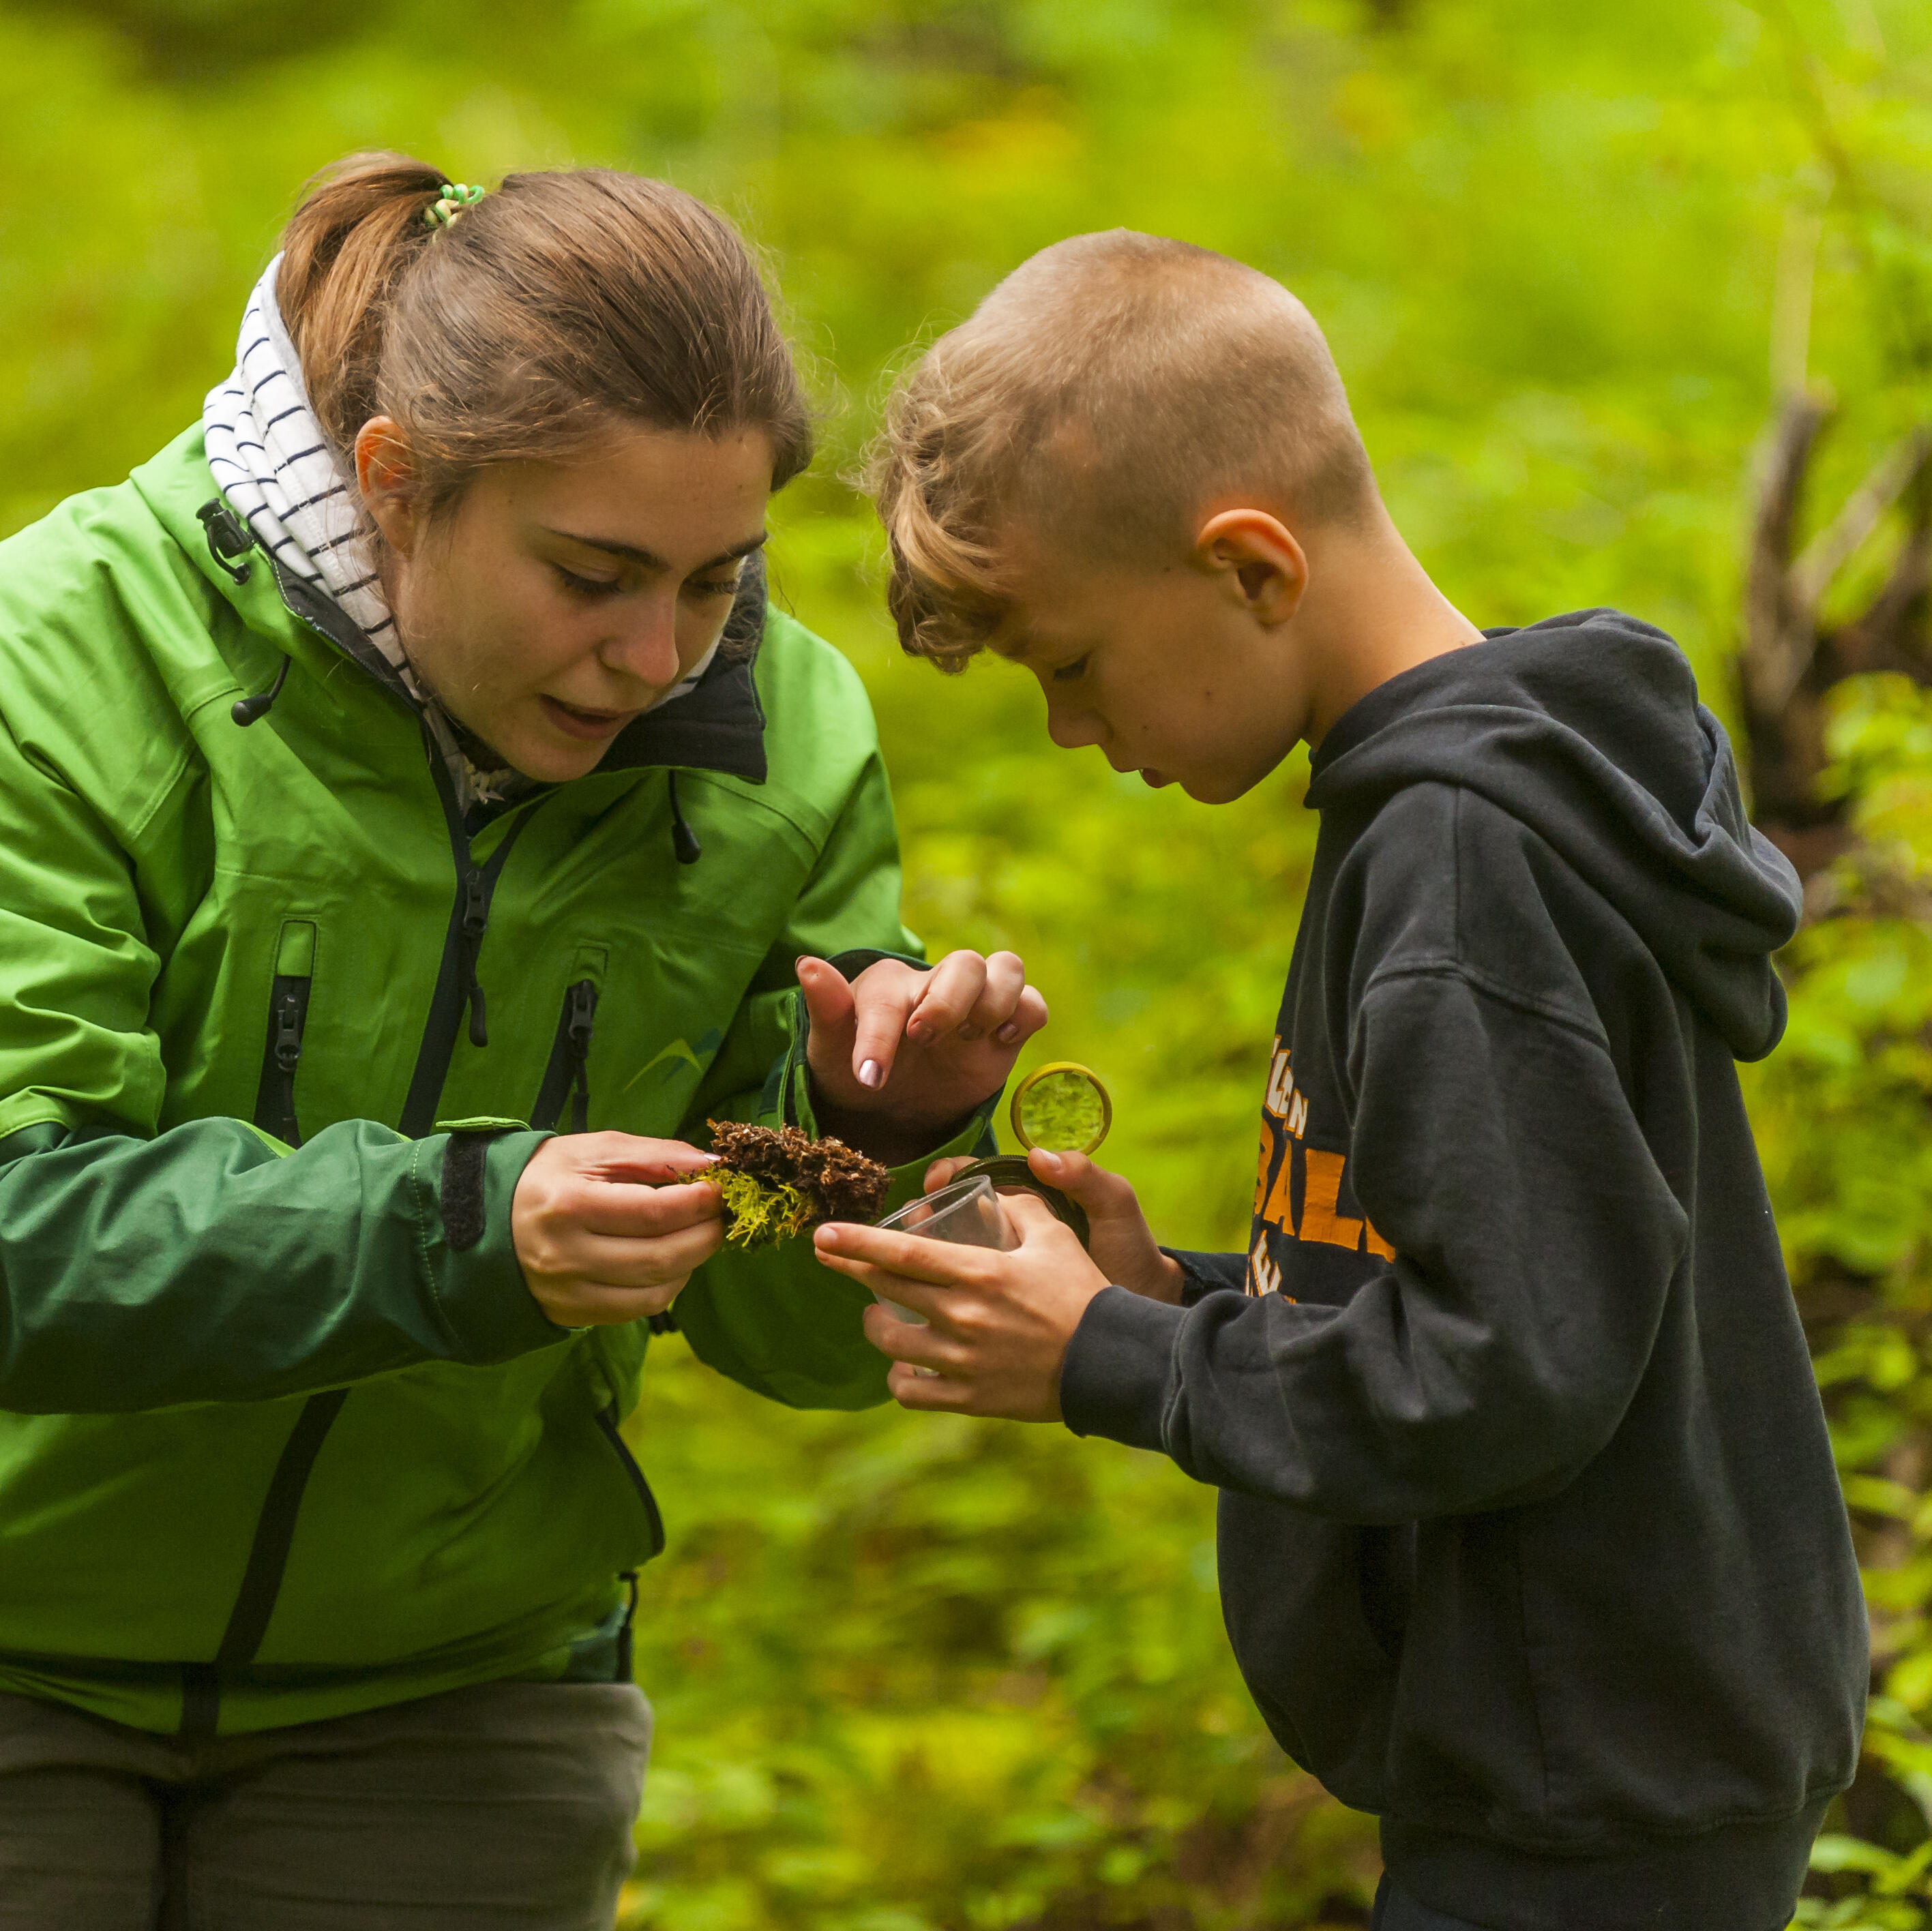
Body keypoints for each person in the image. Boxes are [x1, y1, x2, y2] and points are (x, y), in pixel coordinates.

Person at [0, 153, 1046, 1929]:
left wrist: (874, 1128)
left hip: (460, 1704)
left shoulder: (780, 735)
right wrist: (465, 1231)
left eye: (716, 580)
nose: (656, 657)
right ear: (396, 483)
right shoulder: (64, 657)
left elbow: (805, 1347)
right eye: (592, 576)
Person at [817, 230, 1868, 1931]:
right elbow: (1488, 1283)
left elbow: (1509, 1370)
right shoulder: (1446, 811)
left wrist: (1114, 1359)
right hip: (1575, 1759)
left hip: (1584, 1792)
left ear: (1250, 568)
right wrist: (1174, 1295)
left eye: (1069, 665)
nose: (1072, 730)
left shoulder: (1459, 856)